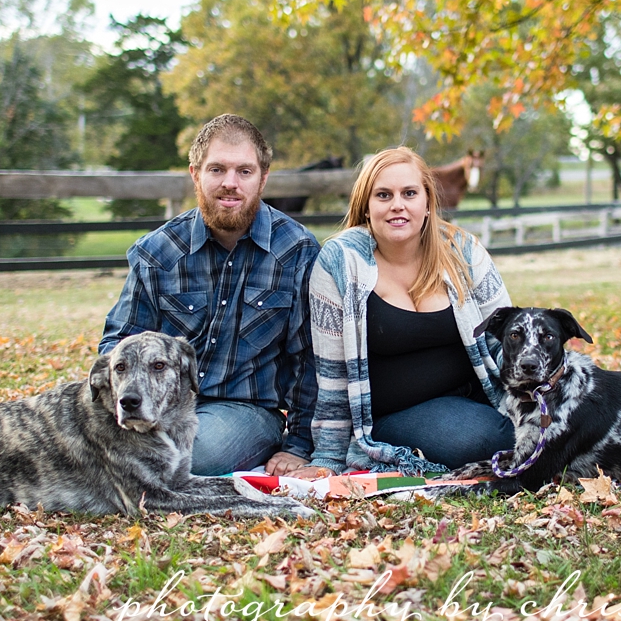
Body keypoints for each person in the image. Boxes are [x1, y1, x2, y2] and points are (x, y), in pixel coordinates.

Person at [99, 113, 321, 474]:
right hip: (157, 402)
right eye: (216, 170)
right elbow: (119, 342)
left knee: (194, 458)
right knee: (77, 442)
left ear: (263, 178)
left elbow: (309, 359)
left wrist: (299, 445)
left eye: (244, 172)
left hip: (244, 410)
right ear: (195, 175)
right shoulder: (158, 251)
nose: (230, 183)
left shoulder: (296, 251)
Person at [276, 146, 514, 482]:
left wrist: (545, 392)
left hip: (476, 393)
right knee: (487, 440)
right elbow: (330, 371)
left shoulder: (463, 251)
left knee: (568, 414)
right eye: (384, 195)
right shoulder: (340, 263)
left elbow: (506, 336)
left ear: (428, 203)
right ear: (366, 206)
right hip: (391, 415)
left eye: (409, 193)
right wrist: (328, 457)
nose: (397, 205)